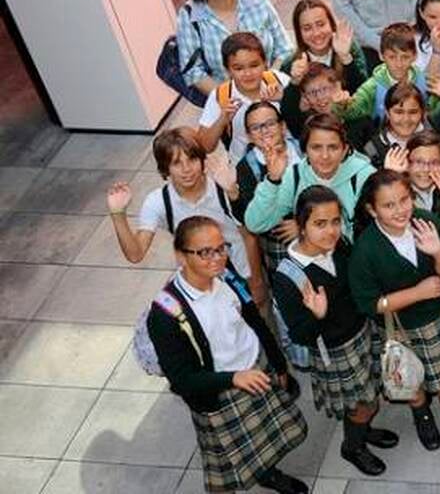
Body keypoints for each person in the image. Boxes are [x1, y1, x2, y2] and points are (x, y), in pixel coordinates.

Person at [147, 216, 307, 493]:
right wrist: (233, 379)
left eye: (221, 248)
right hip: (220, 390)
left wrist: (278, 364)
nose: (217, 258)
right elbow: (183, 381)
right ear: (180, 256)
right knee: (225, 469)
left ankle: (268, 471)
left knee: (266, 437)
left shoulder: (227, 277)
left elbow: (254, 320)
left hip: (255, 367)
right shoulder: (165, 315)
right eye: (205, 252)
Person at [270, 186, 399, 476]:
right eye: (320, 223)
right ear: (300, 225)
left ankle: (363, 430)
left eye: (335, 221)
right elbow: (301, 335)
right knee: (361, 404)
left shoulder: (337, 245)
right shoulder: (288, 277)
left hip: (363, 331)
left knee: (371, 393)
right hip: (336, 349)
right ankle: (353, 446)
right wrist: (319, 315)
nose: (331, 231)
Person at [349, 169, 440, 451]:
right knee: (409, 377)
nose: (400, 210)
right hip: (399, 327)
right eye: (389, 205)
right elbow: (369, 304)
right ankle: (421, 414)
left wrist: (438, 251)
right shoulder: (366, 249)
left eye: (405, 200)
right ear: (371, 209)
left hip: (437, 317)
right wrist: (417, 293)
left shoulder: (425, 222)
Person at [107, 128, 262, 296]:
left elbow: (249, 235)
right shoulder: (158, 202)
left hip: (243, 272)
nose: (186, 169)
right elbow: (136, 254)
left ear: (202, 160)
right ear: (165, 168)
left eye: (192, 159)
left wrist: (255, 280)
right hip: (201, 283)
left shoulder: (222, 184)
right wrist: (118, 214)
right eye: (176, 163)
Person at [174, 0, 293, 96]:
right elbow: (192, 71)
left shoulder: (258, 1)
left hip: (270, 90)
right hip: (226, 98)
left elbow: (284, 49)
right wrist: (228, 98)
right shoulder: (189, 16)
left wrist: (270, 83)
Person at [245, 114, 378, 243]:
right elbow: (256, 224)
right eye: (316, 147)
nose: (325, 156)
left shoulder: (365, 176)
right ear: (305, 151)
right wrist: (273, 180)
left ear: (344, 150)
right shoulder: (295, 175)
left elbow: (380, 228)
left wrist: (308, 228)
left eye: (333, 147)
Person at [196, 32, 289, 164]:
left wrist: (285, 98)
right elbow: (204, 146)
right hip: (247, 168)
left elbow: (307, 115)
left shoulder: (279, 80)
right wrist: (222, 120)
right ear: (228, 70)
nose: (248, 73)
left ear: (265, 63)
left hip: (288, 157)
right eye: (238, 68)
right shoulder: (221, 95)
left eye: (254, 65)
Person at [232, 102, 302, 272]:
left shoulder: (305, 149)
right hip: (279, 250)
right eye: (256, 128)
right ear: (248, 136)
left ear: (283, 126)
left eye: (270, 124)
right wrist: (233, 195)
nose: (264, 131)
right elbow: (249, 219)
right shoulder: (246, 167)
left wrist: (304, 225)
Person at [359, 82, 440, 169]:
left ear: (423, 112)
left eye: (413, 112)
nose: (406, 119)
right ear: (387, 113)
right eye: (399, 112)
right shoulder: (373, 149)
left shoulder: (438, 125)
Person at [281, 0, 369, 95]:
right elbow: (287, 108)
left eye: (321, 24)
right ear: (299, 33)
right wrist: (294, 82)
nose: (316, 33)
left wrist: (346, 59)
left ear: (331, 24)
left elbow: (365, 95)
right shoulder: (290, 64)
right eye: (307, 28)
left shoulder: (349, 48)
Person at [282, 62, 371, 150]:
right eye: (312, 93)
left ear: (338, 85)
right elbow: (289, 112)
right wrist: (294, 82)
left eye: (324, 89)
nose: (319, 97)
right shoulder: (308, 125)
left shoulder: (359, 116)